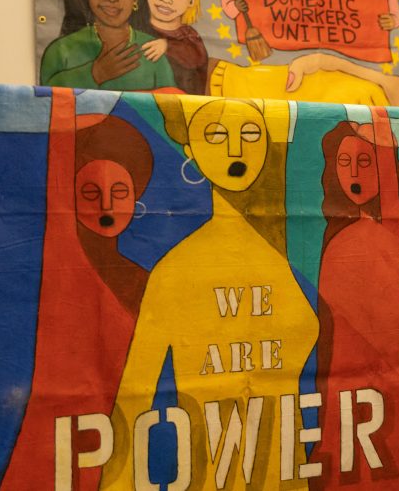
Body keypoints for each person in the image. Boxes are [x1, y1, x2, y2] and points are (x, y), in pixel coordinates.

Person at [102, 95, 316, 489]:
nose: (235, 150)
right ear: (191, 154)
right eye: (215, 135)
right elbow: (135, 395)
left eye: (250, 134)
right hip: (214, 473)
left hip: (287, 471)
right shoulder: (175, 269)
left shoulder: (290, 255)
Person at [0, 88, 153, 491]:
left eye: (119, 193)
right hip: (62, 437)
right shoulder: (65, 260)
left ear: (136, 198)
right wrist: (69, 110)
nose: (106, 206)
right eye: (90, 193)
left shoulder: (149, 280)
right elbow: (58, 167)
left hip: (132, 433)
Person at [308, 109, 399, 489]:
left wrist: (381, 132)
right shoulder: (335, 240)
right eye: (344, 162)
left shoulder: (388, 233)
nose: (354, 173)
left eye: (365, 162)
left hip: (393, 383)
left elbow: (392, 191)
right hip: (344, 388)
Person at [41, 0, 177, 91]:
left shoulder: (153, 51)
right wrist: (94, 74)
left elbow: (171, 102)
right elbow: (44, 100)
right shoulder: (60, 50)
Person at [142, 0, 208, 94]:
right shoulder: (138, 28)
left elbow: (196, 59)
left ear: (190, 1)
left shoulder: (189, 35)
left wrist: (168, 46)